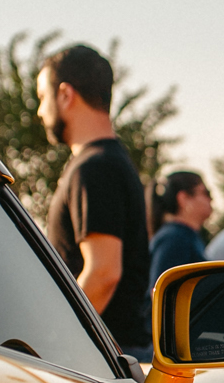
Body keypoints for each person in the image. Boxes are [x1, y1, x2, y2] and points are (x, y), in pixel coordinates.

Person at [39, 43, 151, 360]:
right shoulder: (109, 161)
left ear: (65, 95)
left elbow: (103, 273)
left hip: (100, 358)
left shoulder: (95, 167)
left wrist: (54, 343)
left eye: (41, 98)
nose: (39, 111)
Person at [147, 169, 213, 293]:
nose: (211, 199)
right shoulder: (174, 238)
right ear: (183, 198)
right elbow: (159, 292)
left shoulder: (186, 236)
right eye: (206, 193)